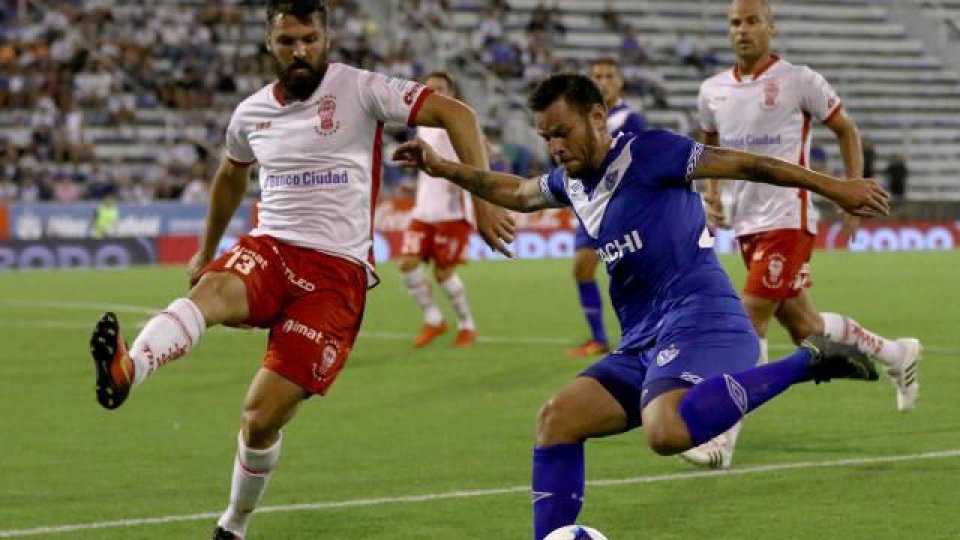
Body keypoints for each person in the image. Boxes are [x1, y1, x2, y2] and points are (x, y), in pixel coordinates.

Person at [393, 72, 889, 540]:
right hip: (643, 340)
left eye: (562, 132)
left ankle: (810, 360)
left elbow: (748, 164)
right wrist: (442, 167)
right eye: (546, 137)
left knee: (666, 430)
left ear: (595, 116)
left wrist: (836, 187)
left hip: (703, 320)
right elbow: (518, 193)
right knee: (557, 419)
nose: (556, 146)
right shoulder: (572, 182)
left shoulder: (651, 152)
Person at [85, 2, 514, 539]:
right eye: (288, 41)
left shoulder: (362, 89)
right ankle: (129, 370)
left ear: (326, 38)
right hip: (272, 248)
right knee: (212, 290)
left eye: (309, 38)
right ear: (270, 43)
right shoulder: (250, 114)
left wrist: (483, 196)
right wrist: (206, 250)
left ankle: (234, 523)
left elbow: (459, 115)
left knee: (259, 419)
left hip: (336, 275)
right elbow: (229, 179)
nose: (300, 51)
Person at [688, 0, 921, 469]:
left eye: (753, 21)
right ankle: (897, 354)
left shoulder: (799, 81)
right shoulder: (711, 91)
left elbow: (846, 131)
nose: (743, 30)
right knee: (805, 330)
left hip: (788, 220)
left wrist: (849, 195)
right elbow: (707, 148)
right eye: (735, 22)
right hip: (748, 227)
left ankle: (720, 438)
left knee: (746, 321)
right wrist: (711, 195)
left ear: (771, 27)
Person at [566, 58, 646, 358]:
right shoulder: (581, 119)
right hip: (591, 208)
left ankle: (646, 334)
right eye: (596, 75)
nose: (602, 81)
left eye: (608, 76)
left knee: (632, 276)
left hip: (622, 208)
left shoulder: (629, 118)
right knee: (582, 267)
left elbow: (636, 160)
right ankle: (599, 338)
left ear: (619, 82)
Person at [398, 71, 479, 348]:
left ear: (451, 93)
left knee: (443, 274)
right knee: (407, 264)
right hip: (424, 210)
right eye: (429, 88)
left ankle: (467, 326)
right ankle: (434, 319)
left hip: (452, 212)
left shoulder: (457, 119)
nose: (433, 93)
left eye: (440, 88)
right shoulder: (423, 125)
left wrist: (464, 176)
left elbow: (483, 149)